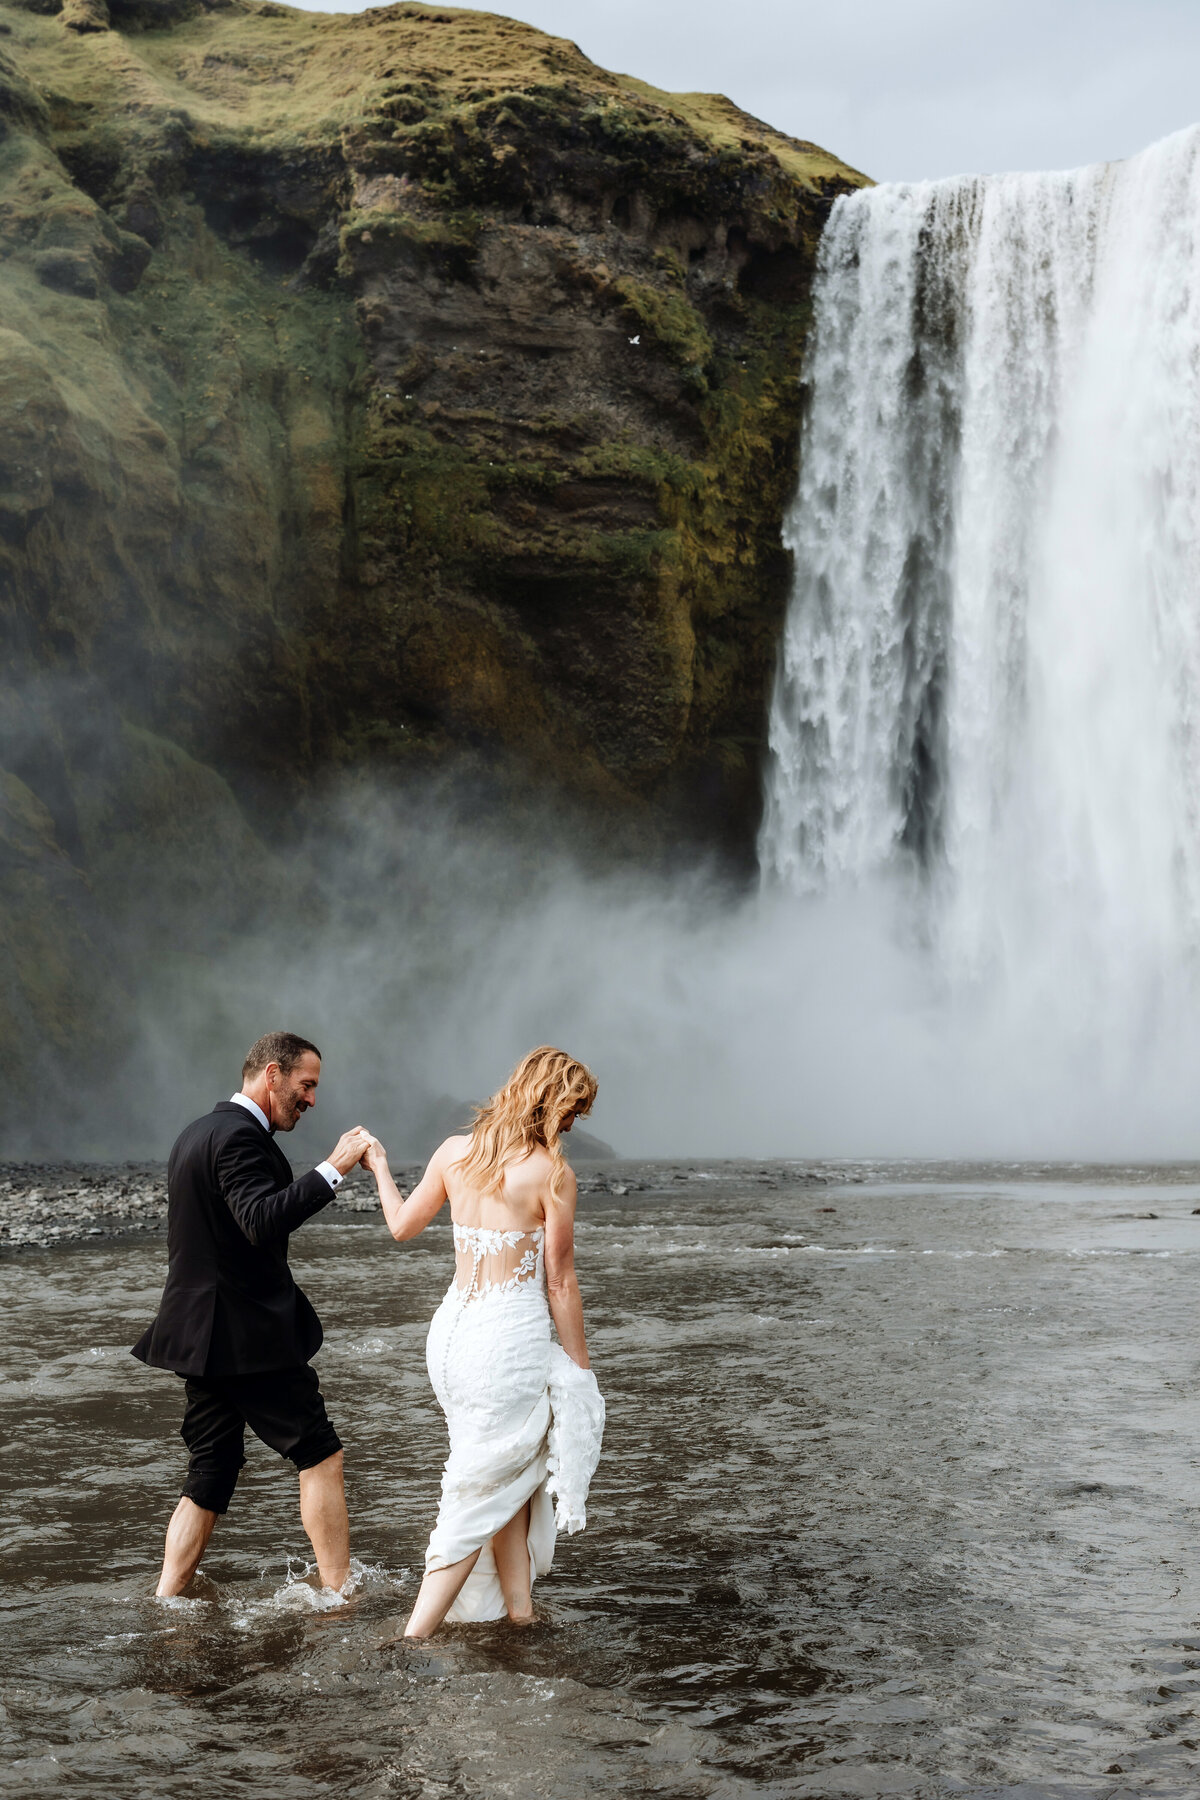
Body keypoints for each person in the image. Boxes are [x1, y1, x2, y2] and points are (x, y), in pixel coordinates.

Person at [359, 1045, 606, 1638]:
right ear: (548, 1101)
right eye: (572, 1110)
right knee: (479, 1490)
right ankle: (414, 1636)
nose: (573, 1124)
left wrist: (381, 1167)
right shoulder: (552, 1174)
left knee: (501, 1473)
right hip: (506, 1347)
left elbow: (401, 1226)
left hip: (451, 1341)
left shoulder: (454, 1151)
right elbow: (560, 1281)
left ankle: (519, 1612)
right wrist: (580, 1370)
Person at [132, 1031, 373, 1598]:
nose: (312, 1099)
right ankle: (338, 1598)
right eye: (305, 1084)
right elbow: (260, 1221)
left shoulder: (195, 1133)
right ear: (271, 1074)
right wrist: (334, 1168)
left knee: (210, 1471)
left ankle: (167, 1601)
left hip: (199, 1336)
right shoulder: (240, 1138)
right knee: (320, 1454)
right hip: (245, 1337)